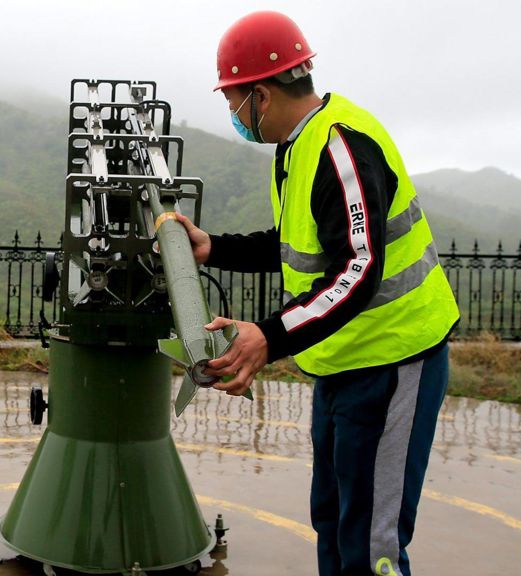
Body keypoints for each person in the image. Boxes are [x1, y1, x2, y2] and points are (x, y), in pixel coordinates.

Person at [175, 11, 461, 576]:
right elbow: (299, 245)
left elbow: (358, 270)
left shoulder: (340, 147)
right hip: (342, 363)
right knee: (332, 520)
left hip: (393, 361)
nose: (233, 115)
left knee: (371, 548)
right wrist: (217, 247)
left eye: (233, 102)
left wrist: (269, 336)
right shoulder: (297, 146)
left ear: (260, 94)